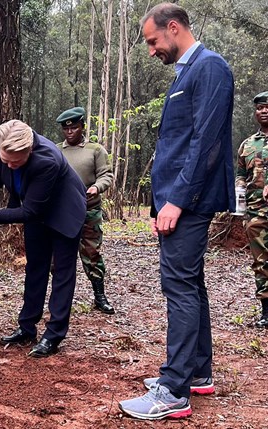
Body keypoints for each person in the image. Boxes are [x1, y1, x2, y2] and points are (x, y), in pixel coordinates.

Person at [118, 3, 235, 420]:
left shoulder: (210, 67)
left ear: (173, 28)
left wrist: (177, 201)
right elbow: (177, 142)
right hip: (178, 200)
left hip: (191, 201)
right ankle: (197, 373)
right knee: (191, 285)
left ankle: (173, 390)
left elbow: (205, 142)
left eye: (153, 41)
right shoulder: (189, 72)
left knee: (179, 289)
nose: (151, 50)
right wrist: (159, 202)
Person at [0, 119, 86, 358]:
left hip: (64, 212)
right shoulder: (2, 146)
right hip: (35, 211)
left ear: (29, 150)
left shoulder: (46, 160)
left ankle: (53, 335)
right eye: (5, 160)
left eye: (16, 162)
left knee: (62, 273)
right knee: (35, 268)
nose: (9, 166)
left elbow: (31, 211)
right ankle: (27, 327)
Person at [56, 107, 114, 314]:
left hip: (88, 210)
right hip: (62, 213)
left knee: (92, 252)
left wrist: (97, 187)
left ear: (82, 126)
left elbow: (106, 174)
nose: (70, 132)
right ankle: (61, 299)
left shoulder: (95, 150)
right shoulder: (56, 151)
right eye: (66, 129)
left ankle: (99, 296)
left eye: (74, 127)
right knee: (59, 257)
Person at [235, 91, 268, 329]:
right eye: (259, 108)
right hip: (256, 213)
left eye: (267, 107)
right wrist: (238, 193)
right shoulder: (248, 144)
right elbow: (240, 173)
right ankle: (266, 312)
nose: (263, 111)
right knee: (261, 261)